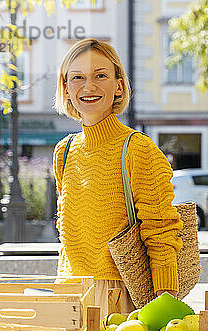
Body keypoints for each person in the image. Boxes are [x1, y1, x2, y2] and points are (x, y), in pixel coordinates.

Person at [52, 38, 182, 316]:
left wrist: (165, 302)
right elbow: (68, 235)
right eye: (77, 78)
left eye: (100, 75)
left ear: (118, 85)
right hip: (69, 294)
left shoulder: (138, 149)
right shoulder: (63, 152)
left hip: (121, 299)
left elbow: (161, 230)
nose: (89, 87)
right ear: (66, 88)